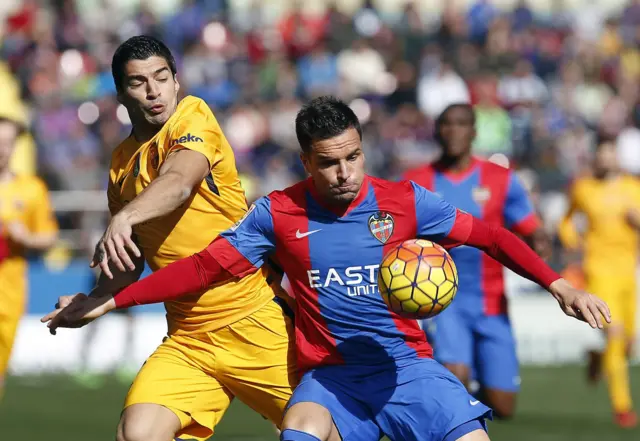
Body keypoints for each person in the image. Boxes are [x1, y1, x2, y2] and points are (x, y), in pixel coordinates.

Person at [44, 96, 610, 441]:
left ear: (363, 148)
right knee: (298, 431)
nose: (344, 173)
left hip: (405, 366)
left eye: (353, 157)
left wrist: (559, 285)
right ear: (305, 162)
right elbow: (201, 270)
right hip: (330, 377)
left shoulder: (405, 201)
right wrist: (107, 300)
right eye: (329, 163)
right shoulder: (277, 214)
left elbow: (488, 235)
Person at [55, 35, 296, 441]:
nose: (153, 91)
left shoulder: (193, 116)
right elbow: (128, 262)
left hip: (253, 316)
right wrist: (92, 301)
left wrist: (125, 216)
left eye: (161, 77)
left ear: (176, 81)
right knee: (139, 433)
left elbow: (179, 182)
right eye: (138, 82)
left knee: (327, 431)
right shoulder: (119, 165)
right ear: (120, 92)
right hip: (188, 336)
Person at [402, 103, 550, 419]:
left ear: (474, 132)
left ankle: (473, 389)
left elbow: (528, 225)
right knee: (455, 383)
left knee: (503, 406)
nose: (453, 131)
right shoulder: (416, 181)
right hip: (443, 303)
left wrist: (540, 239)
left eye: (461, 124)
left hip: (492, 303)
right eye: (446, 124)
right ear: (437, 131)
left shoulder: (500, 179)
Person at [558, 139, 639, 428]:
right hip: (598, 271)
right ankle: (623, 408)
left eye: (610, 154)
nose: (606, 159)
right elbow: (566, 221)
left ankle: (597, 358)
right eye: (601, 154)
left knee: (629, 343)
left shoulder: (633, 188)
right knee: (615, 333)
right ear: (595, 158)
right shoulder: (583, 187)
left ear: (617, 157)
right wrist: (572, 241)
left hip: (628, 272)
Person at [0, 116, 58, 398]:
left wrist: (25, 238)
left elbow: (48, 237)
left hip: (8, 296)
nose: (2, 149)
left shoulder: (31, 189)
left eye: (8, 143)